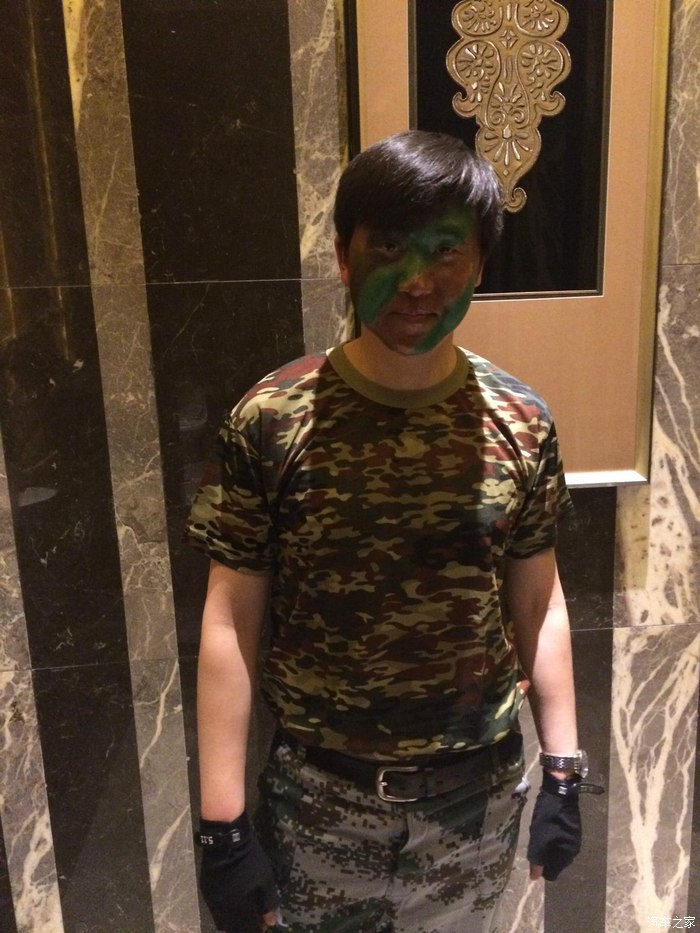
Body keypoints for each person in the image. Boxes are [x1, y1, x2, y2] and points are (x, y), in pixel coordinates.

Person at [185, 130, 596, 933]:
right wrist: (222, 825)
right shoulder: (270, 419)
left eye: (447, 251)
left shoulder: (521, 419)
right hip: (318, 804)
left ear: (479, 265)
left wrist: (564, 770)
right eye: (390, 246)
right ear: (344, 256)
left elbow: (538, 600)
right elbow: (230, 618)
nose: (417, 280)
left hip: (474, 806)